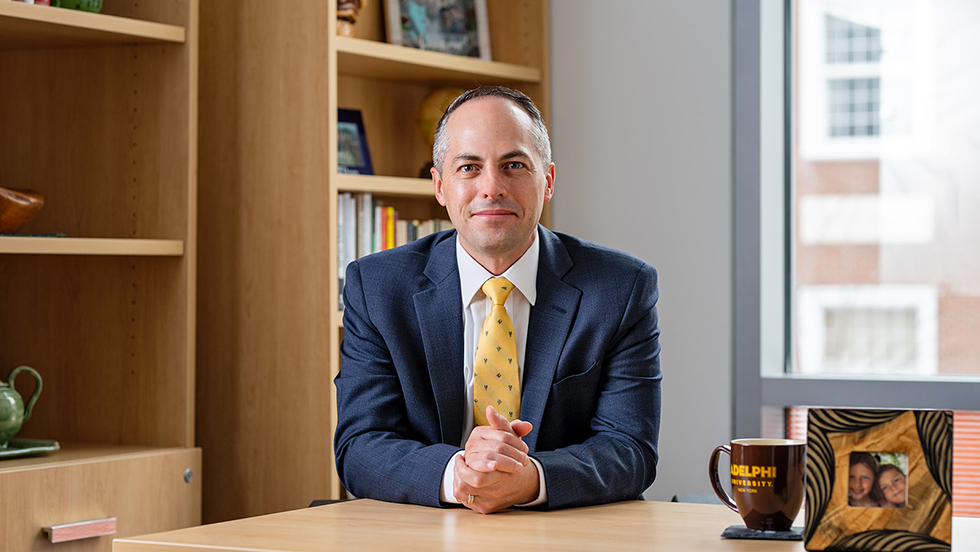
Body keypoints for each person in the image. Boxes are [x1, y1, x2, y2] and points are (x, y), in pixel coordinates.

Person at [333, 86, 662, 514]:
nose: (492, 187)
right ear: (439, 186)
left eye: (514, 165)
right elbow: (359, 446)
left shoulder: (621, 287)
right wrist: (459, 474)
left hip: (567, 538)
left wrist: (532, 480)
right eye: (469, 167)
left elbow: (631, 449)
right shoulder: (377, 287)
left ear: (547, 182)